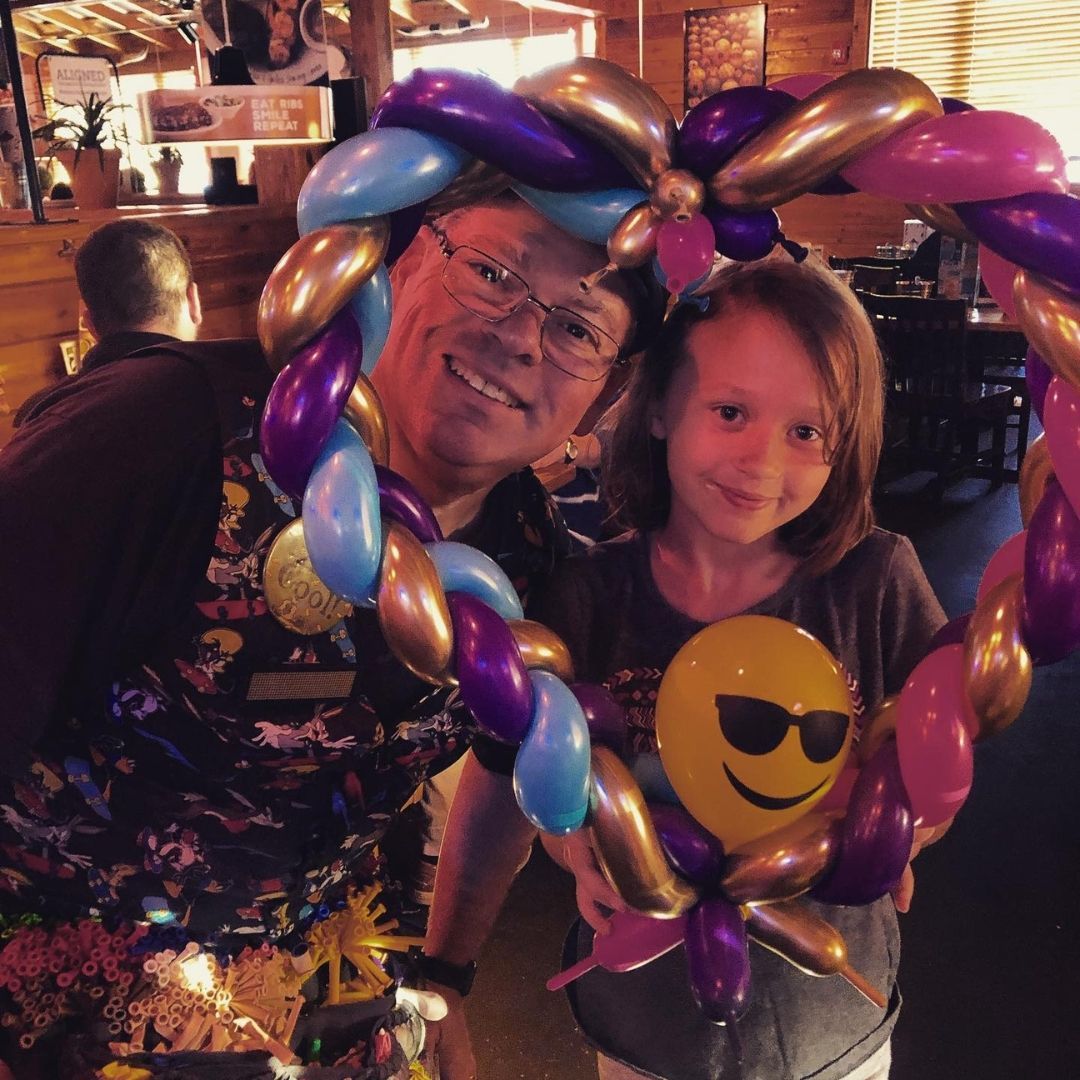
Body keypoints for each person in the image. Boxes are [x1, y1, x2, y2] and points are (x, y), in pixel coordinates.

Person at [0, 204, 660, 1074]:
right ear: (399, 261)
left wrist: (444, 981)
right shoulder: (169, 429)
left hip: (329, 1004)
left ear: (605, 393)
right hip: (58, 1016)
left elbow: (451, 777)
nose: (521, 340)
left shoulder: (522, 552)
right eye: (494, 274)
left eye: (578, 328)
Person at [423, 257, 947, 1079]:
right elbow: (534, 784)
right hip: (646, 1017)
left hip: (830, 1013)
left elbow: (939, 766)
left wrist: (893, 835)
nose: (762, 462)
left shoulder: (876, 581)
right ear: (660, 406)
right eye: (731, 411)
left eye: (806, 431)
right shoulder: (586, 598)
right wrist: (576, 854)